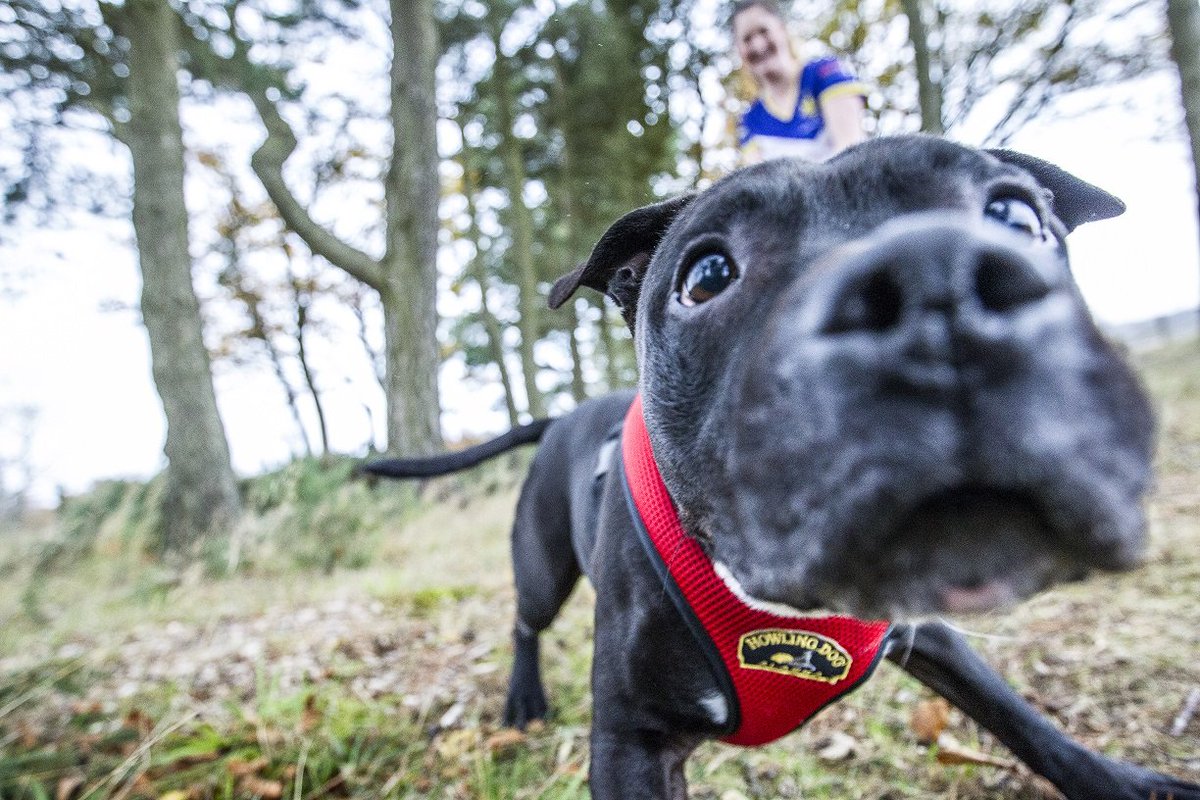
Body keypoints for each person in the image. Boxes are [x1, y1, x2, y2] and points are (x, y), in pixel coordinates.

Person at [731, 0, 868, 165]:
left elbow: (853, 159)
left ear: (782, 29)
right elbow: (755, 184)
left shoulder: (825, 73)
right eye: (747, 39)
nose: (758, 45)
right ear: (739, 49)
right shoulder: (750, 120)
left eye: (764, 31)